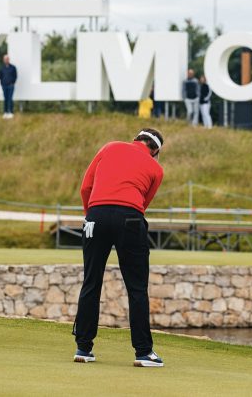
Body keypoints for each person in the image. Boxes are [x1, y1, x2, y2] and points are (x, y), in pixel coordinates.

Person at [73, 128, 165, 368]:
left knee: (91, 281)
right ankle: (143, 353)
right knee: (136, 288)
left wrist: (91, 215)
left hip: (96, 215)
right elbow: (144, 202)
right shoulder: (156, 168)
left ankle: (83, 348)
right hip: (131, 218)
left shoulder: (110, 146)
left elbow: (85, 187)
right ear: (155, 151)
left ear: (136, 139)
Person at [0, 54, 17, 119]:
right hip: (4, 85)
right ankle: (6, 112)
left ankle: (11, 112)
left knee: (10, 99)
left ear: (9, 59)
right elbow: (0, 76)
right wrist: (2, 83)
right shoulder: (2, 68)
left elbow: (15, 76)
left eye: (7, 59)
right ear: (3, 60)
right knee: (5, 99)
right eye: (5, 59)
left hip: (10, 85)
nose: (6, 60)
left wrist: (13, 83)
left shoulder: (13, 67)